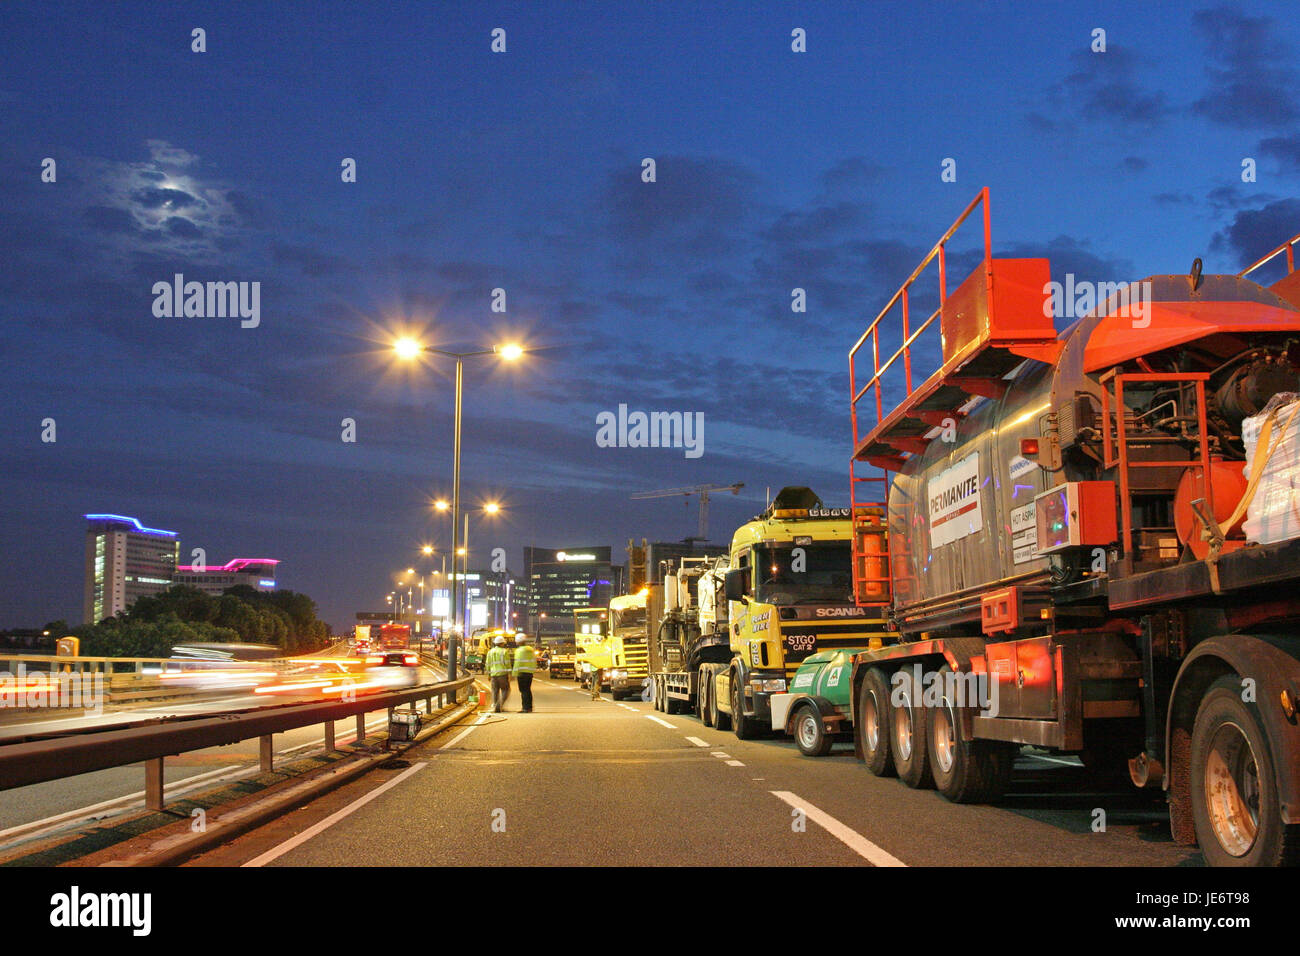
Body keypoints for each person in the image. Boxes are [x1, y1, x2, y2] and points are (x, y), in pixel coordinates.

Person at [485, 634, 511, 713]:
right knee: (506, 690)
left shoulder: (490, 652)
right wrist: (509, 673)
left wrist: (489, 674)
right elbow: (507, 663)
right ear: (502, 643)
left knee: (494, 691)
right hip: (502, 674)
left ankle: (495, 706)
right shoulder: (504, 652)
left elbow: (487, 664)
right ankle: (499, 705)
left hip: (493, 675)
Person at [512, 633, 537, 713]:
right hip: (529, 673)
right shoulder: (530, 649)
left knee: (523, 690)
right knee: (528, 690)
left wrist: (514, 674)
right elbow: (534, 661)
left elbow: (517, 663)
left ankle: (525, 708)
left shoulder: (519, 651)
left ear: (518, 641)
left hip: (522, 674)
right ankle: (529, 707)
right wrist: (532, 670)